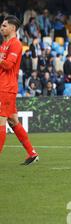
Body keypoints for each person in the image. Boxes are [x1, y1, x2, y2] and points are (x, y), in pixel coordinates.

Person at [0, 15, 39, 165]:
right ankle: (32, 153)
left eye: (4, 26)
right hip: (4, 86)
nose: (1, 28)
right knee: (13, 120)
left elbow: (9, 65)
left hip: (6, 88)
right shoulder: (4, 44)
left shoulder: (15, 44)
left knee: (1, 121)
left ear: (12, 28)